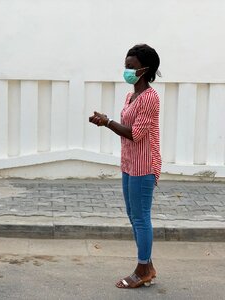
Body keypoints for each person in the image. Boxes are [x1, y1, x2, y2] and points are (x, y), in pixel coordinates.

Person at [89, 44, 161, 288]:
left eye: (131, 67)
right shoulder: (131, 96)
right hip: (129, 163)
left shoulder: (150, 98)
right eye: (126, 66)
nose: (127, 71)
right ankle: (147, 265)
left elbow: (137, 134)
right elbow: (126, 128)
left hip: (144, 166)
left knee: (141, 218)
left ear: (145, 69)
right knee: (133, 216)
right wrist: (105, 120)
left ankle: (142, 270)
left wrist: (107, 122)